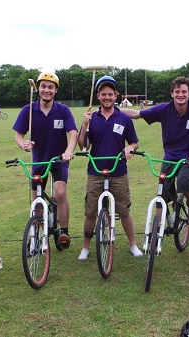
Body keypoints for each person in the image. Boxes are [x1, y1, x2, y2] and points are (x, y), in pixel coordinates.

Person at [121, 76, 189, 226]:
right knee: (162, 190)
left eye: (184, 91)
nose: (180, 94)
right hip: (169, 157)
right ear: (172, 94)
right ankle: (161, 226)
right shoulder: (164, 109)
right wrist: (111, 110)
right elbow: (137, 114)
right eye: (177, 91)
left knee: (183, 180)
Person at [77, 75, 142, 260]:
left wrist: (130, 147)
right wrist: (84, 125)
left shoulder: (123, 118)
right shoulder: (91, 118)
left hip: (119, 171)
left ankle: (133, 245)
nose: (107, 97)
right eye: (103, 94)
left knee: (124, 210)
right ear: (98, 95)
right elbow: (83, 146)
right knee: (90, 212)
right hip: (95, 172)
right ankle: (86, 247)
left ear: (116, 96)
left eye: (110, 94)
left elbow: (135, 143)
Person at [13, 72, 78, 249]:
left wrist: (68, 151)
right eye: (43, 86)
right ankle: (36, 235)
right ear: (39, 88)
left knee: (61, 193)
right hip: (39, 161)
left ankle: (64, 231)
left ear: (55, 90)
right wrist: (23, 144)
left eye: (50, 87)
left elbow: (73, 133)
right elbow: (19, 135)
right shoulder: (29, 110)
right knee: (36, 200)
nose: (46, 90)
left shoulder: (63, 110)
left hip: (59, 160)